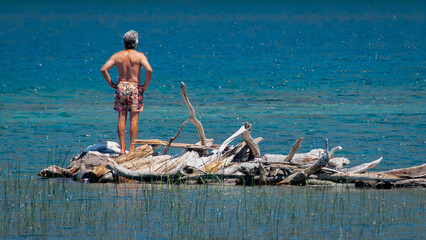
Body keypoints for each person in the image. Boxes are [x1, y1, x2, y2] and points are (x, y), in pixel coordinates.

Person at [101, 30, 153, 155]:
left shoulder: (117, 56)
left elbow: (104, 69)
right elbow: (149, 70)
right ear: (136, 43)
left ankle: (123, 149)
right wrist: (145, 86)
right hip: (134, 88)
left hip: (121, 87)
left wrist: (111, 83)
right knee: (134, 120)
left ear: (124, 42)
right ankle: (132, 149)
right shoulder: (140, 56)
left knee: (121, 117)